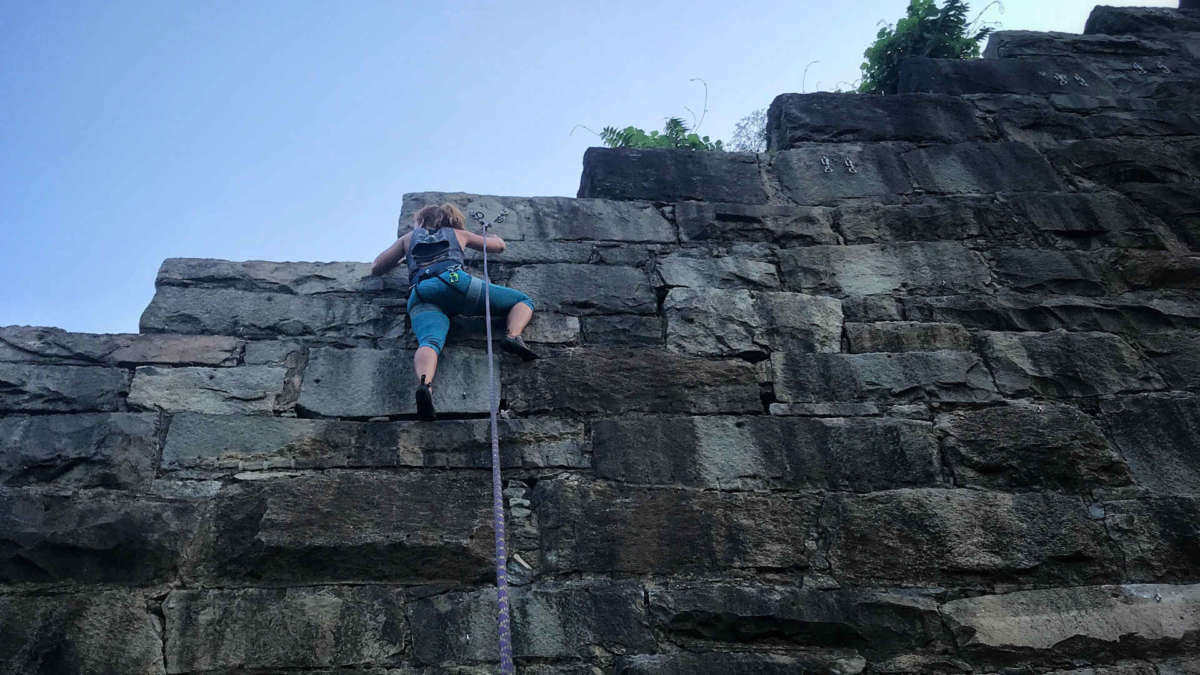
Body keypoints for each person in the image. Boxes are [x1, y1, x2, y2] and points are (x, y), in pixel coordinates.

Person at [371, 203, 538, 421]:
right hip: (454, 282)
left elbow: (377, 267)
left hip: (421, 292)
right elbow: (497, 246)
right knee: (522, 300)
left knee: (429, 341)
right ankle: (513, 336)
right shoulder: (459, 233)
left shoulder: (408, 239)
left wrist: (406, 258)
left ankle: (425, 385)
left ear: (422, 221)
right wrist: (495, 236)